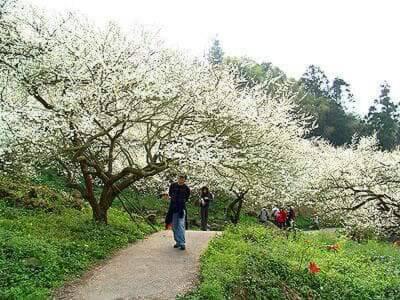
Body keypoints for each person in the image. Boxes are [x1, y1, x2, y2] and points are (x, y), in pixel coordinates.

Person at [167, 175, 190, 250]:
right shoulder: (173, 186)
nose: (181, 180)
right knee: (174, 226)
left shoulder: (186, 188)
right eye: (180, 178)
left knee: (181, 225)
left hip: (181, 209)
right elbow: (170, 194)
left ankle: (182, 243)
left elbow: (186, 198)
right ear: (178, 179)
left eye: (182, 179)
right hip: (173, 208)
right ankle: (177, 242)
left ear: (184, 180)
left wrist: (181, 201)